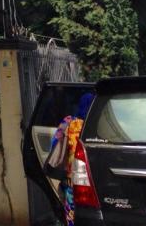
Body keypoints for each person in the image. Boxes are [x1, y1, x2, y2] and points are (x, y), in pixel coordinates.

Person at [49, 92, 95, 225]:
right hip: (92, 177)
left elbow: (54, 143)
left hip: (72, 177)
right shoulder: (95, 124)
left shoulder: (69, 122)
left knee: (71, 213)